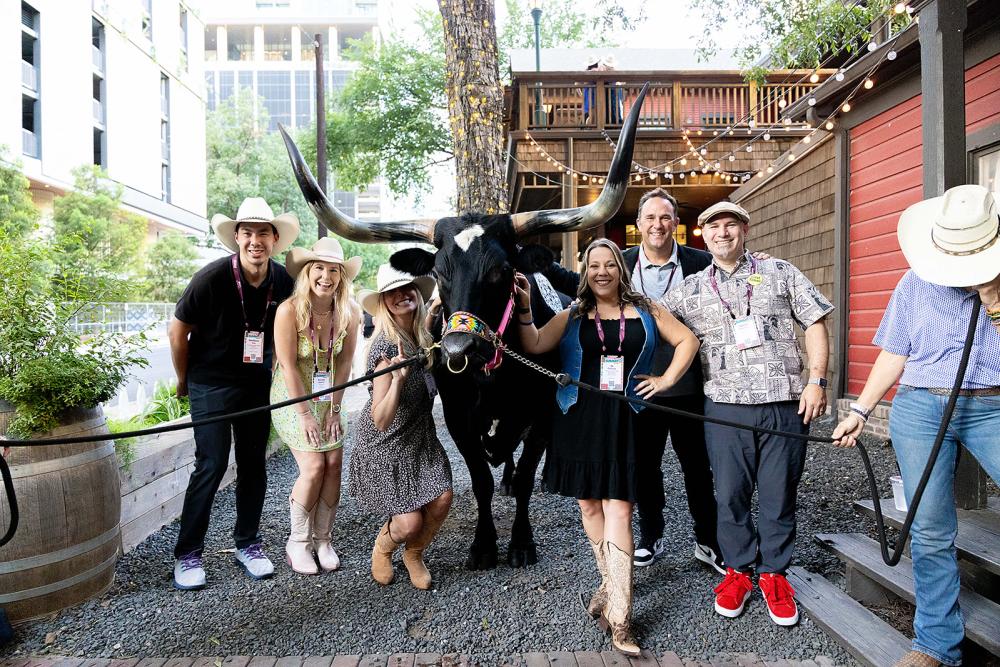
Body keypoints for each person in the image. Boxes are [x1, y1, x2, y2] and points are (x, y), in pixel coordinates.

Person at [832, 184, 1000, 667]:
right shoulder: (915, 281)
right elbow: (895, 352)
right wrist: (861, 410)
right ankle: (936, 644)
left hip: (992, 405)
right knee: (928, 528)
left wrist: (992, 295)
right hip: (922, 407)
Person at [516, 238, 700, 656]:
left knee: (620, 507)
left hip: (629, 418)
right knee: (589, 506)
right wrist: (525, 307)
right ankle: (609, 583)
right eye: (593, 265)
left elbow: (688, 341)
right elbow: (534, 344)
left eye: (609, 264)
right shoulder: (573, 314)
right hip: (579, 418)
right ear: (586, 272)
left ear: (621, 268)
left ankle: (621, 616)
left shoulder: (648, 310)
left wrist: (666, 380)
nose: (601, 272)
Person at [663, 201, 834, 627]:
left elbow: (814, 322)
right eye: (713, 227)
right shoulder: (690, 288)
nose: (722, 233)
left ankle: (774, 574)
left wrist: (817, 380)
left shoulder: (780, 271)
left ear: (745, 229)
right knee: (731, 495)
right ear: (701, 235)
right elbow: (648, 318)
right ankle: (739, 570)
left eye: (730, 225)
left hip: (784, 403)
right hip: (724, 409)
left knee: (779, 493)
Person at [169, 197, 298, 590]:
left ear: (275, 240)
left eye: (263, 233)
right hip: (210, 382)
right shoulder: (211, 278)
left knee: (253, 463)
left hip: (256, 384)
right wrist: (182, 380)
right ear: (236, 238)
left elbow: (293, 325)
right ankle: (188, 554)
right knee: (210, 463)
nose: (255, 240)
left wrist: (278, 362)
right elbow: (178, 331)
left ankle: (249, 543)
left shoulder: (283, 281)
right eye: (247, 233)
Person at [624, 188, 724, 574]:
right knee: (644, 466)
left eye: (665, 217)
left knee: (698, 467)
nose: (657, 225)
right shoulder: (622, 263)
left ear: (676, 224)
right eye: (650, 217)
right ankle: (651, 536)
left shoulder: (702, 262)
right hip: (639, 386)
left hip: (689, 385)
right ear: (639, 224)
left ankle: (707, 540)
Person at [348, 262, 453, 590]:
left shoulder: (422, 334)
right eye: (391, 292)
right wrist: (396, 382)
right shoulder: (384, 349)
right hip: (387, 444)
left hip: (419, 435)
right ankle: (384, 547)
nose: (401, 295)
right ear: (383, 303)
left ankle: (414, 554)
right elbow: (380, 420)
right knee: (408, 522)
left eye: (406, 288)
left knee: (442, 499)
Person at [271, 237, 362, 575]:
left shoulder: (349, 312)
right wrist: (305, 414)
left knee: (334, 461)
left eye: (334, 270)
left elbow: (344, 365)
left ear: (342, 276)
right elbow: (289, 366)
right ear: (308, 273)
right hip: (292, 397)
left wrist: (336, 410)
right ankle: (297, 541)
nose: (326, 276)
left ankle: (323, 538)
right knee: (313, 466)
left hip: (329, 396)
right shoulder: (289, 311)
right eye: (320, 269)